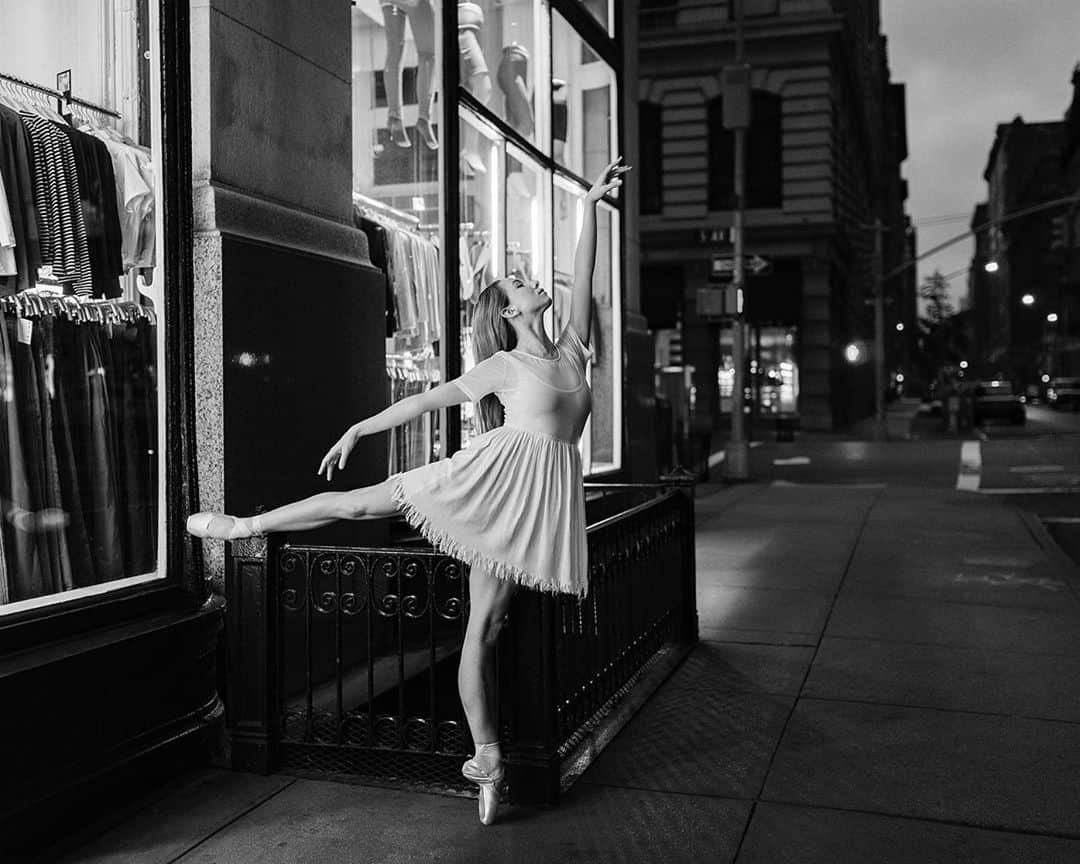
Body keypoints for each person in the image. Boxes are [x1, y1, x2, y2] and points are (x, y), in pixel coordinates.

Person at [186, 158, 631, 826]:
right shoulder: (502, 366)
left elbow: (587, 269)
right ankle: (244, 526)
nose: (533, 280)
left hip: (532, 502)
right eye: (519, 281)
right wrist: (362, 424)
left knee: (486, 629)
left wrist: (591, 204)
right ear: (509, 311)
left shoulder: (572, 351)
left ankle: (485, 760)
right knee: (365, 506)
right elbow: (429, 399)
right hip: (489, 481)